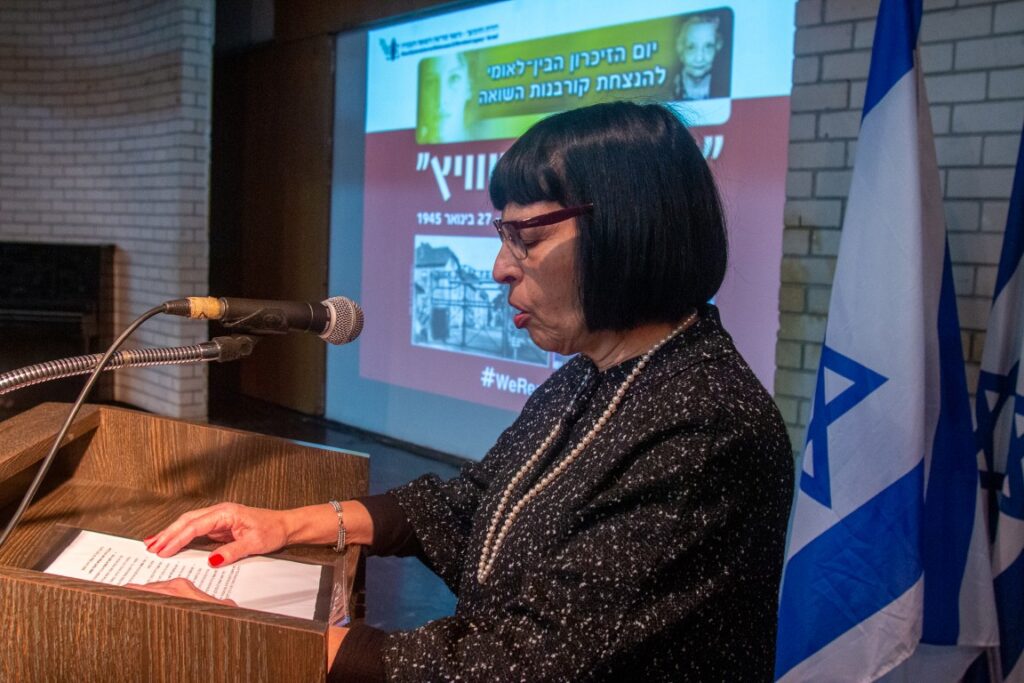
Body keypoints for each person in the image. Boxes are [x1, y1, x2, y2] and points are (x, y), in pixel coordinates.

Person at [138, 101, 794, 681]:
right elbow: (474, 504)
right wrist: (288, 523)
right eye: (503, 235)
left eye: (527, 237)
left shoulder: (710, 430)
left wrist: (260, 634)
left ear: (628, 227)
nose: (500, 267)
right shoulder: (591, 373)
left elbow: (523, 665)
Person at [673, 14, 727, 100]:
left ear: (717, 47)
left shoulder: (724, 88)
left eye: (708, 47)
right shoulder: (665, 91)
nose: (699, 58)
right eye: (691, 47)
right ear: (681, 48)